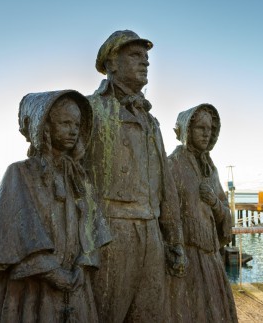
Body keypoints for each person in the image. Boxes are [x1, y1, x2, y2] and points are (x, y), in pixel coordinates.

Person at [0, 90, 112, 322]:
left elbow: (93, 228)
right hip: (33, 289)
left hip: (75, 284)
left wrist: (82, 267)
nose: (73, 130)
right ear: (44, 126)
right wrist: (53, 273)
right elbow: (17, 234)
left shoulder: (78, 177)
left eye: (76, 124)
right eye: (65, 123)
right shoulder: (20, 173)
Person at [86, 30, 186, 322]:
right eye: (135, 55)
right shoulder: (91, 110)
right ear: (111, 63)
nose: (145, 63)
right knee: (105, 314)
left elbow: (166, 185)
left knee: (150, 314)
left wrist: (174, 240)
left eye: (146, 57)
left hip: (152, 234)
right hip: (110, 233)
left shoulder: (151, 121)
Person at [167, 104, 238, 322]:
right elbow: (167, 213)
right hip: (187, 255)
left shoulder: (211, 169)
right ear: (188, 129)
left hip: (211, 257)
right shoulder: (172, 165)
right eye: (200, 128)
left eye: (210, 128)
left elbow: (227, 215)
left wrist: (215, 202)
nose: (206, 133)